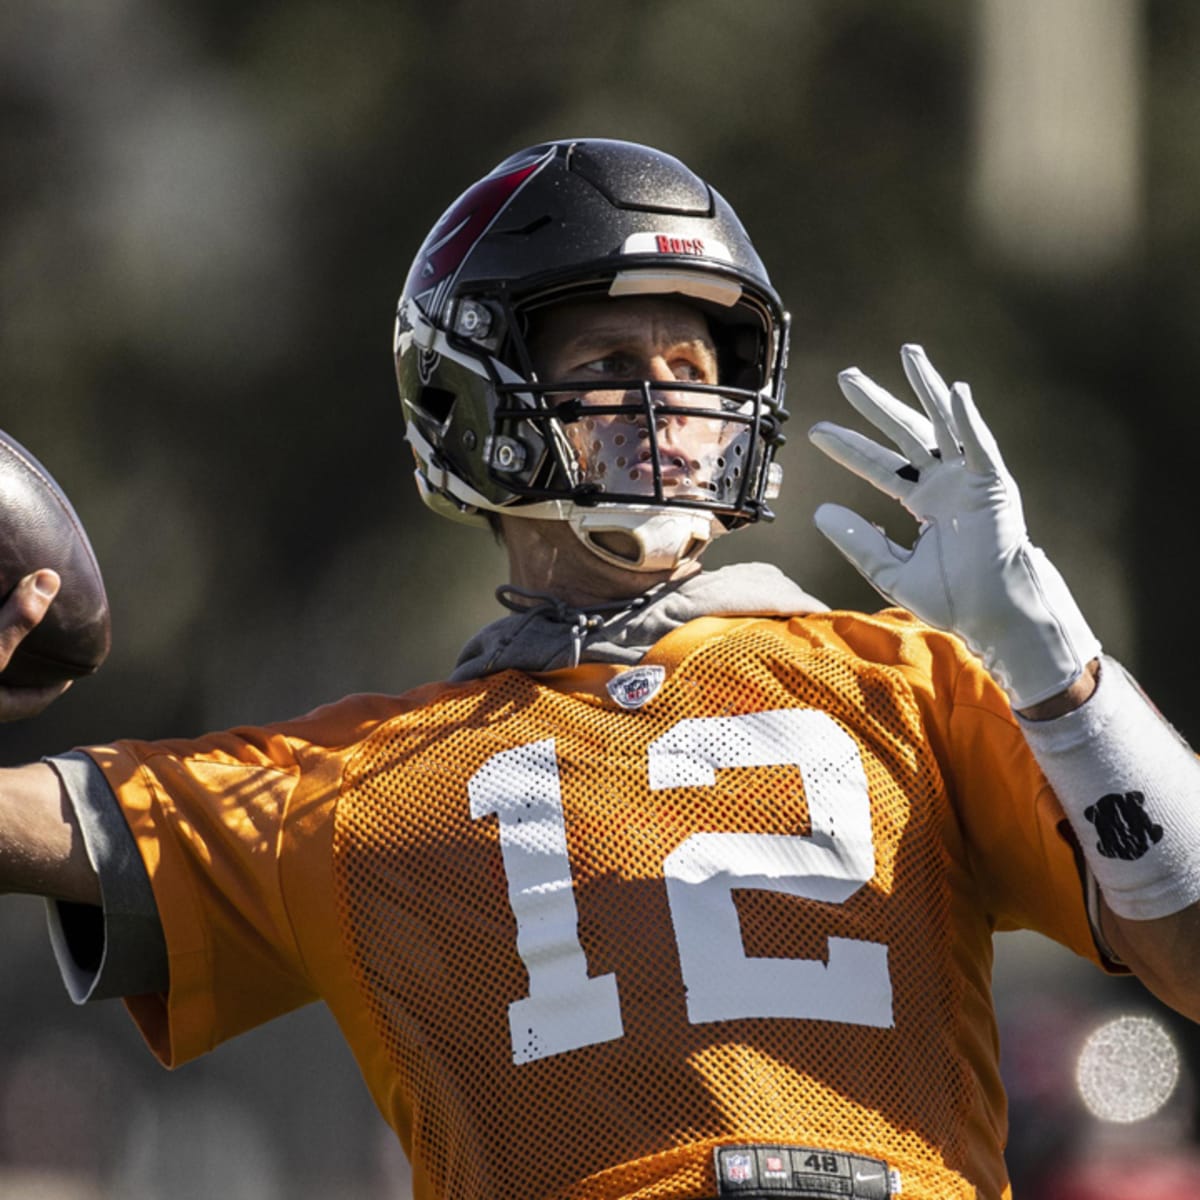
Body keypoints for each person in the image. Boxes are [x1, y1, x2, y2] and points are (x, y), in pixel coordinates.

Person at [1, 137, 1198, 1200]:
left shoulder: (914, 686)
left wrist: (1055, 660)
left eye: (694, 367)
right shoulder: (347, 783)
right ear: (465, 394)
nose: (666, 406)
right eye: (614, 360)